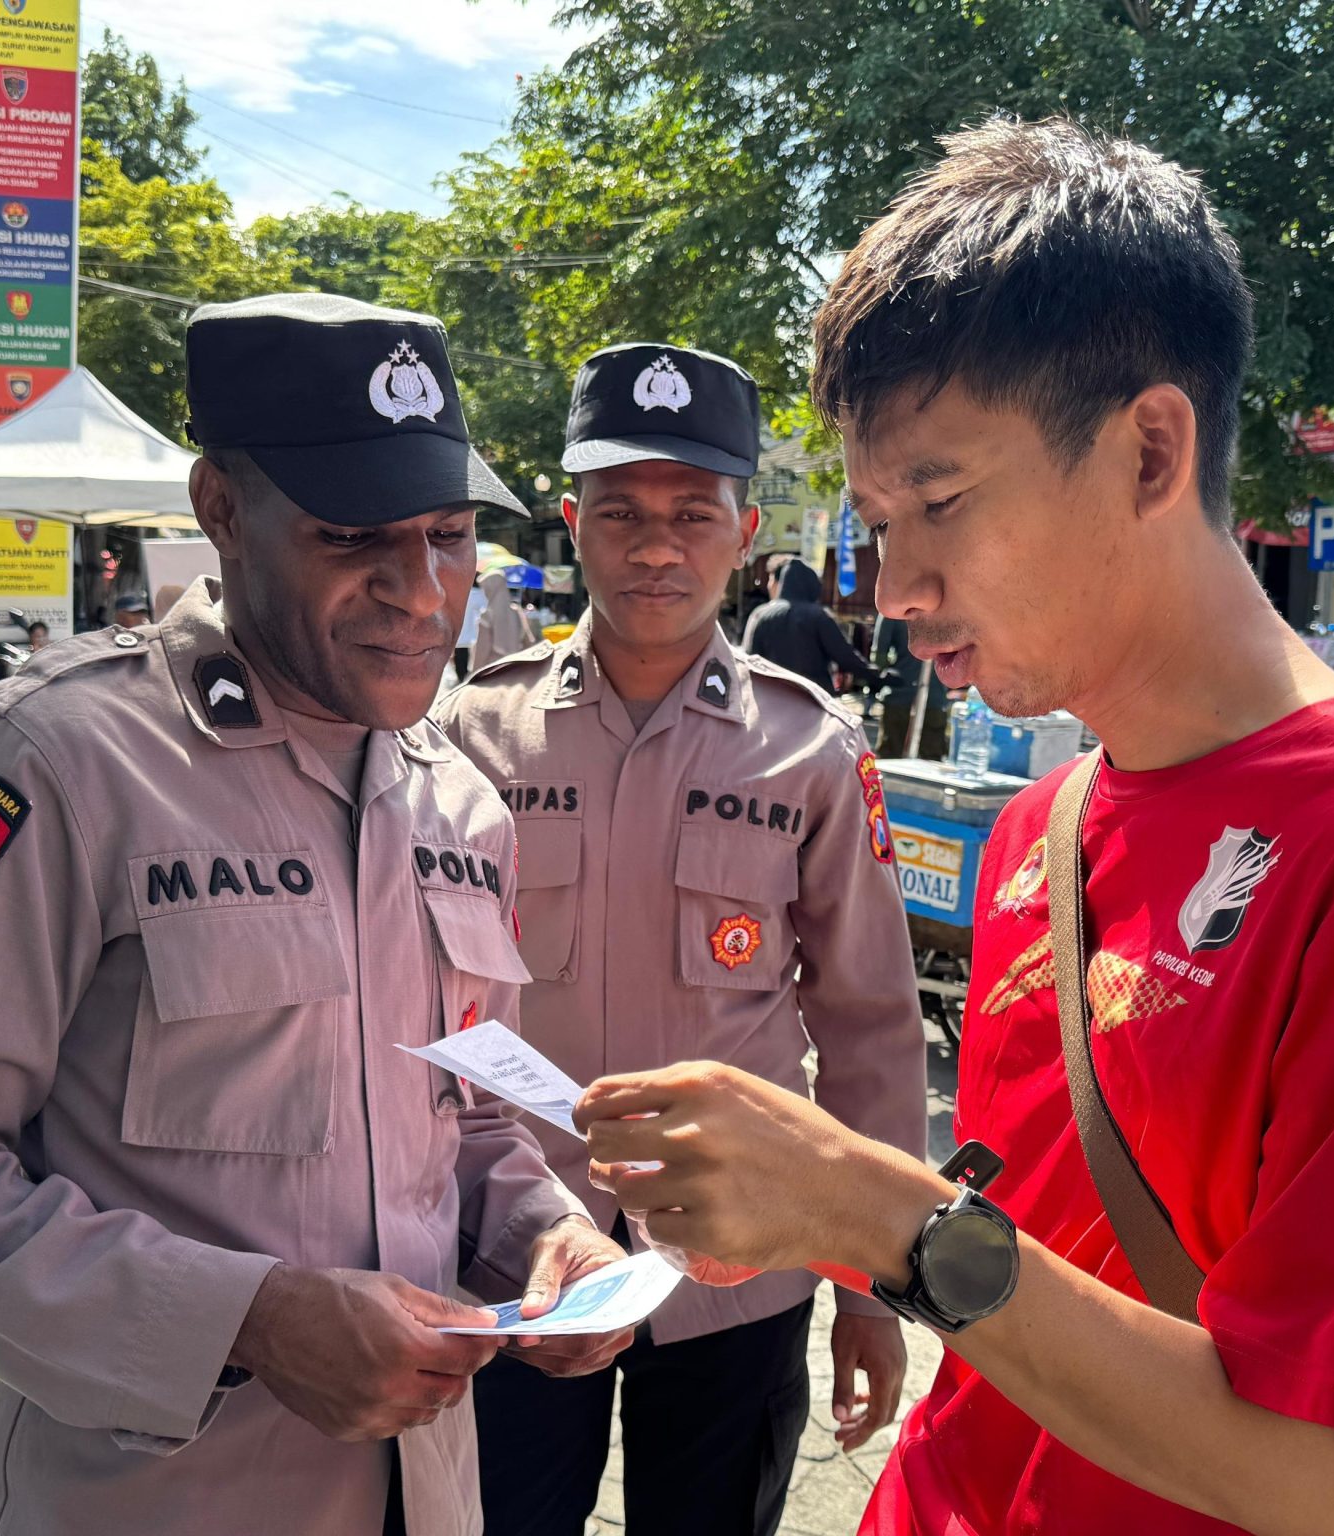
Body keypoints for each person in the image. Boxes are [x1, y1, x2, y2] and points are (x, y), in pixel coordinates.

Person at [570, 120, 1334, 1536]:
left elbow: (1318, 1479)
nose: (899, 585)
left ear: (1152, 449)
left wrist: (866, 1215)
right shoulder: (1048, 822)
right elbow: (1030, 1257)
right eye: (873, 521)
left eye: (939, 500)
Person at [0, 294, 629, 1536]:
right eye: (356, 533)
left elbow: (458, 1123)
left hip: (431, 1495)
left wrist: (546, 1239)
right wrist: (246, 1318)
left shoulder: (459, 802)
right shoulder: (56, 762)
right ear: (218, 511)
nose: (422, 590)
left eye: (454, 535)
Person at [435, 344, 927, 1536]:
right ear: (571, 522)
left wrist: (874, 1285)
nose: (657, 546)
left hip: (740, 1266)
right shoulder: (470, 734)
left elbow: (867, 1022)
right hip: (516, 1252)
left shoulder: (809, 751)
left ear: (744, 528)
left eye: (692, 514)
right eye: (622, 513)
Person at [742, 551, 889, 695]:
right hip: (814, 701)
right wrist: (880, 677)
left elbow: (748, 662)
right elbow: (845, 657)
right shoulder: (819, 616)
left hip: (771, 700)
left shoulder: (759, 614)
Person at [873, 615, 949, 760]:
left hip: (898, 694)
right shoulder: (947, 609)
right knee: (931, 764)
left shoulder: (892, 611)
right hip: (934, 697)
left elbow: (879, 658)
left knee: (890, 762)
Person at [468, 564, 531, 675]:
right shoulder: (516, 611)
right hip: (515, 669)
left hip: (493, 672)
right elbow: (528, 640)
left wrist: (473, 674)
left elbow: (482, 651)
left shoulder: (487, 616)